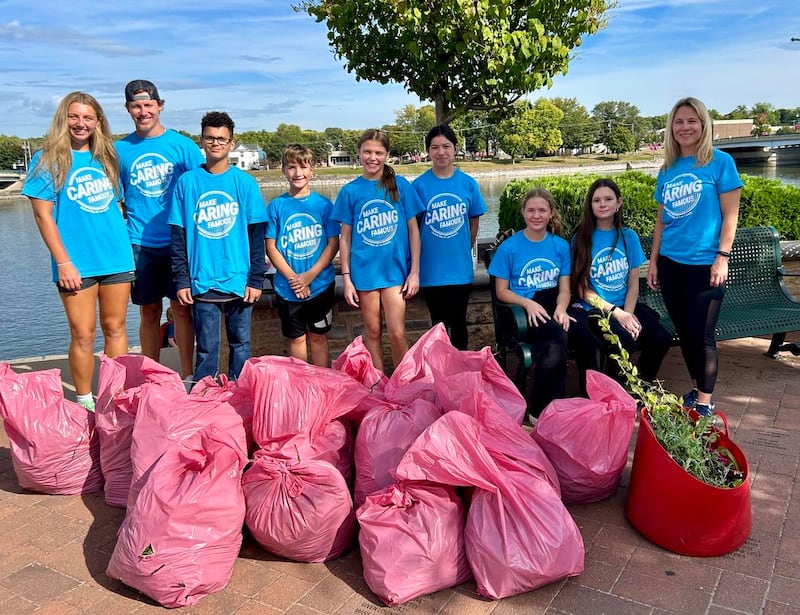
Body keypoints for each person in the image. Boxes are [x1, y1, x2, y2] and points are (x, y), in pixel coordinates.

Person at [22, 92, 135, 410]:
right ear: (63, 118)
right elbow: (42, 215)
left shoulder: (107, 157)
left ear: (98, 121)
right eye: (74, 116)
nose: (80, 123)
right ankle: (84, 400)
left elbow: (119, 206)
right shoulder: (48, 159)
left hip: (115, 256)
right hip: (76, 263)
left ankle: (115, 397)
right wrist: (64, 262)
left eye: (88, 117)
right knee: (83, 334)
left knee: (116, 328)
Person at [646, 97, 742, 416]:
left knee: (702, 335)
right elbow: (662, 220)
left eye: (691, 121)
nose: (684, 127)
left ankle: (704, 404)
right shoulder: (668, 170)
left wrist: (722, 257)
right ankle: (695, 387)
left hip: (705, 265)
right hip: (672, 264)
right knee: (684, 331)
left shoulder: (720, 162)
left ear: (703, 124)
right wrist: (654, 261)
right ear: (671, 129)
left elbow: (731, 216)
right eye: (678, 122)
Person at [169, 111, 268, 383]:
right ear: (201, 140)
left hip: (239, 278)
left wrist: (256, 278)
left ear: (231, 144)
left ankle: (240, 393)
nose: (216, 144)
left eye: (222, 139)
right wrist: (181, 279)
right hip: (202, 280)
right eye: (210, 138)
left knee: (241, 344)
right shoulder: (187, 183)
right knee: (206, 348)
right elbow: (178, 235)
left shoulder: (244, 183)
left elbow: (256, 233)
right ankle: (205, 395)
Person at [116, 79, 204, 380]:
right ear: (128, 109)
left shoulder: (183, 146)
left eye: (148, 105)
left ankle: (188, 375)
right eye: (136, 106)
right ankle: (150, 377)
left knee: (182, 309)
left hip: (179, 241)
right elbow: (116, 200)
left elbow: (201, 190)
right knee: (149, 311)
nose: (143, 111)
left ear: (160, 106)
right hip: (140, 242)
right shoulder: (120, 150)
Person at [332, 129, 425, 371]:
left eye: (378, 152)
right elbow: (345, 238)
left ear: (387, 155)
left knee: (397, 332)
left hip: (395, 273)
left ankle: (403, 382)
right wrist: (347, 279)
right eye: (367, 152)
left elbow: (414, 231)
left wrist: (414, 272)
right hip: (364, 274)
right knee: (372, 332)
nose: (372, 157)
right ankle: (378, 385)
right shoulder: (350, 191)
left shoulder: (400, 186)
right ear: (359, 153)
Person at [568, 178, 672, 385]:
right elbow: (581, 289)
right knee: (622, 340)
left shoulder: (628, 236)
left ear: (619, 203)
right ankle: (612, 391)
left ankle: (640, 386)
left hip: (626, 306)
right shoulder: (581, 238)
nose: (602, 204)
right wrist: (618, 313)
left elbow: (634, 283)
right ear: (590, 205)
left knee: (661, 338)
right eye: (596, 200)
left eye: (608, 199)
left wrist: (629, 314)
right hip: (594, 309)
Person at [487, 187, 572, 417]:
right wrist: (527, 303)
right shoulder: (509, 248)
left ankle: (541, 410)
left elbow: (565, 288)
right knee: (559, 336)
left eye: (542, 210)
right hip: (524, 312)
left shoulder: (560, 246)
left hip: (552, 303)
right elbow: (501, 291)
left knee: (554, 346)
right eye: (531, 210)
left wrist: (562, 308)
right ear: (523, 213)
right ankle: (553, 410)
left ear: (551, 213)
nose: (537, 215)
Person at [412, 124, 486, 350]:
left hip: (459, 269)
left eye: (446, 146)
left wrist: (465, 248)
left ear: (455, 148)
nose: (441, 152)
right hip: (431, 270)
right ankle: (441, 377)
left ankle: (461, 377)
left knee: (460, 326)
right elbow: (413, 228)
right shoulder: (419, 186)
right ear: (428, 151)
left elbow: (473, 222)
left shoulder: (467, 184)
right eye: (435, 147)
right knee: (438, 328)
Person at [266, 144, 339, 366]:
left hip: (320, 285)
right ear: (283, 170)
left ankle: (322, 385)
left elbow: (333, 243)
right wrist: (294, 279)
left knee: (318, 337)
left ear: (313, 169)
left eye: (303, 167)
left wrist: (310, 275)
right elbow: (271, 246)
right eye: (292, 167)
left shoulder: (324, 205)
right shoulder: (276, 206)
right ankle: (303, 385)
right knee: (296, 338)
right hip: (288, 289)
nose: (298, 173)